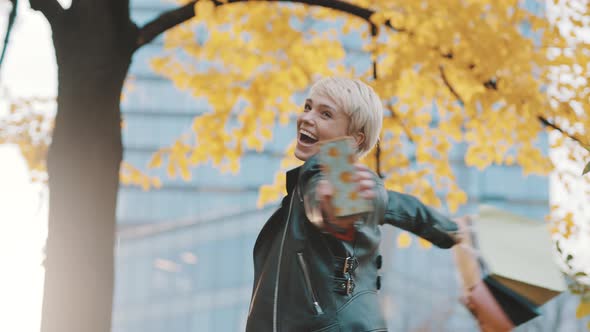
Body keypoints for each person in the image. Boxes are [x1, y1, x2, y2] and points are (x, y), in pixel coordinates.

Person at [245, 77, 462, 332]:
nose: (307, 118)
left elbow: (335, 204)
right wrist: (446, 229)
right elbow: (391, 202)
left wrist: (334, 210)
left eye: (325, 114)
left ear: (353, 140)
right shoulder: (316, 181)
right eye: (308, 107)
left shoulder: (330, 172)